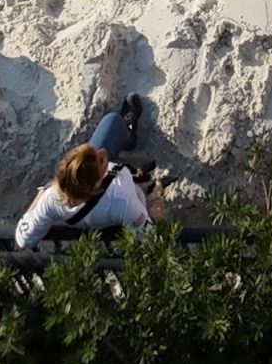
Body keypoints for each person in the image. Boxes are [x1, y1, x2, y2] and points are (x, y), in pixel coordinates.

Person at [14, 95, 165, 250]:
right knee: (112, 121)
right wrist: (155, 201)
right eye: (100, 159)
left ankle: (124, 137)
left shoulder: (52, 199)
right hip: (134, 199)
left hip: (97, 211)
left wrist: (42, 193)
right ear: (97, 183)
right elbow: (148, 241)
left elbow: (23, 239)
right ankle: (128, 131)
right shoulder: (122, 198)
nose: (102, 152)